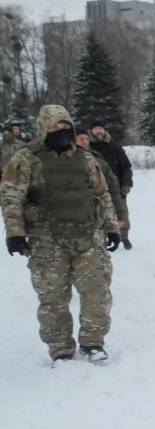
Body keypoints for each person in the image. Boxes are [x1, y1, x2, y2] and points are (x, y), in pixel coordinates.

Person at [2, 105, 121, 364]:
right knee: (52, 298)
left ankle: (93, 342)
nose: (62, 131)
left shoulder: (85, 158)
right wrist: (14, 231)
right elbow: (12, 196)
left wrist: (111, 227)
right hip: (47, 240)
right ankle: (60, 348)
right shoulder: (25, 158)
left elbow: (102, 193)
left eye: (66, 126)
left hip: (88, 236)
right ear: (44, 128)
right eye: (56, 126)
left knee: (96, 292)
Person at [88, 120, 133, 249]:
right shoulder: (87, 147)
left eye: (100, 128)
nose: (98, 131)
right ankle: (103, 237)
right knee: (98, 213)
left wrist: (127, 183)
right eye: (95, 129)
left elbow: (126, 167)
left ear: (105, 130)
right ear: (91, 131)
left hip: (116, 187)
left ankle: (124, 237)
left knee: (121, 212)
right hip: (96, 188)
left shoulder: (115, 147)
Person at [75, 130, 126, 227]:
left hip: (98, 215)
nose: (85, 142)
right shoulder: (65, 160)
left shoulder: (98, 159)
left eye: (87, 139)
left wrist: (120, 215)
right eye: (81, 139)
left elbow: (113, 189)